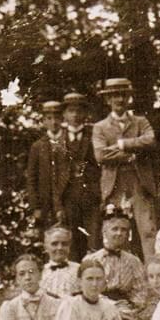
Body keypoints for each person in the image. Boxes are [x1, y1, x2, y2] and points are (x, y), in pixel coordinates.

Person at [92, 77, 158, 258]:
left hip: (139, 182)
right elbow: (101, 155)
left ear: (128, 98)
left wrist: (121, 144)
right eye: (114, 96)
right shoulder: (99, 127)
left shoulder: (140, 122)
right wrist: (133, 154)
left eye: (123, 95)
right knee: (115, 231)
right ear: (108, 100)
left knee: (147, 231)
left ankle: (152, 274)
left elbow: (150, 140)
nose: (119, 100)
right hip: (113, 185)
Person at [52, 92, 101, 258]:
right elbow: (54, 176)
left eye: (79, 111)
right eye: (71, 111)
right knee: (72, 243)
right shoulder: (57, 140)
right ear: (64, 114)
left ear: (85, 113)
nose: (75, 115)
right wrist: (58, 205)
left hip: (92, 197)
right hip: (69, 198)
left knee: (94, 241)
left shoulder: (95, 134)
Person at [84, 205, 149, 320]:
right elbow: (85, 291)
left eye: (123, 230)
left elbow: (140, 291)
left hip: (127, 311)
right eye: (115, 229)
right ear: (104, 231)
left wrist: (132, 308)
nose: (119, 233)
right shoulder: (92, 260)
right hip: (96, 310)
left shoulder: (133, 261)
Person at [25, 100, 65, 233]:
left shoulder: (69, 142)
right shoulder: (37, 146)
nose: (53, 122)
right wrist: (35, 206)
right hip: (45, 203)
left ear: (62, 119)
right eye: (49, 118)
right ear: (44, 121)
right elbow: (31, 178)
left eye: (57, 118)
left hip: (67, 201)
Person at [40, 225, 81, 298]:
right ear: (46, 247)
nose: (60, 248)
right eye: (54, 244)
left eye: (64, 244)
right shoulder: (40, 272)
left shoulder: (79, 270)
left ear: (69, 246)